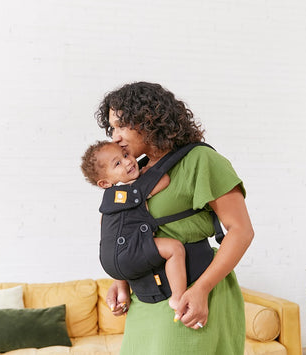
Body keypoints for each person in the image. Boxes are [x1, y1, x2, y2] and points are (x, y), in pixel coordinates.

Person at [95, 82, 254, 354]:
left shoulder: (201, 160)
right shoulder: (138, 172)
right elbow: (134, 232)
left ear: (149, 119)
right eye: (112, 129)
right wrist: (122, 278)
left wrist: (202, 289)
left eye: (122, 125)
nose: (116, 137)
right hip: (145, 299)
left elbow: (241, 231)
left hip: (192, 292)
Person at [81, 140, 187, 313]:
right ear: (105, 183)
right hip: (128, 254)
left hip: (108, 261)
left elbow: (104, 225)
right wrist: (148, 175)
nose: (128, 161)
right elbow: (165, 179)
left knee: (121, 258)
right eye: (117, 163)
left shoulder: (109, 200)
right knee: (175, 249)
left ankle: (123, 293)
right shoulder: (133, 189)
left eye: (125, 155)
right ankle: (178, 297)